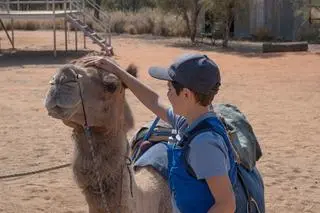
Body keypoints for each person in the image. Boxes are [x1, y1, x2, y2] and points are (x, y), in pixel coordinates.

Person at [84, 53, 237, 213]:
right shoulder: (188, 121)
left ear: (186, 94)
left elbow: (226, 204)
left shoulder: (204, 144)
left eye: (170, 89)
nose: (167, 94)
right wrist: (118, 71)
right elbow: (154, 101)